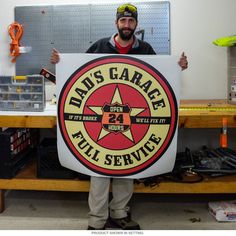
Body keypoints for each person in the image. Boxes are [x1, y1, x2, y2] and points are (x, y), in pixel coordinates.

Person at [51, 3, 188, 230]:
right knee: (98, 173)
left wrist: (178, 68)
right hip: (98, 126)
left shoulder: (145, 49)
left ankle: (119, 214)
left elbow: (160, 77)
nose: (127, 25)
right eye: (123, 21)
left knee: (129, 169)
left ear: (136, 24)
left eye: (131, 21)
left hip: (132, 125)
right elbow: (77, 73)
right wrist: (60, 64)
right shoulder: (99, 46)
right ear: (116, 23)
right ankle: (96, 220)